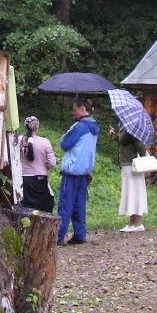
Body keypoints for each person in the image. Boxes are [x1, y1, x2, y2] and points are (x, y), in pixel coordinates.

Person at [56, 98, 100, 246]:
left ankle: (59, 237)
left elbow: (64, 144)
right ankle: (80, 234)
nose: (73, 112)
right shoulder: (94, 127)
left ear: (82, 109)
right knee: (79, 205)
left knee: (65, 205)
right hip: (84, 173)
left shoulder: (80, 127)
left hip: (72, 171)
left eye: (74, 109)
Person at [110, 125, 150, 232]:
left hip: (133, 164)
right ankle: (132, 223)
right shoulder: (126, 126)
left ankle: (137, 223)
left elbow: (139, 144)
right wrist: (116, 136)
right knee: (130, 192)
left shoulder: (132, 127)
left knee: (134, 191)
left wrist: (145, 161)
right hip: (127, 163)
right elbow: (127, 142)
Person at [19, 116, 56, 213]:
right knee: (42, 209)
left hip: (23, 179)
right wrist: (45, 166)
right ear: (37, 128)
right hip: (40, 180)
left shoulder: (18, 140)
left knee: (24, 208)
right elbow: (52, 163)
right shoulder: (45, 142)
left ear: (25, 127)